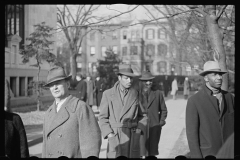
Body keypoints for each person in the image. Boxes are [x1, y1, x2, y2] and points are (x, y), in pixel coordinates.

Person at [42, 66, 102, 158]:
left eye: (58, 83)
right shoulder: (48, 113)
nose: (55, 88)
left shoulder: (80, 108)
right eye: (51, 85)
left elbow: (91, 145)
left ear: (67, 84)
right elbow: (45, 148)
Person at [186, 61, 234, 158]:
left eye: (220, 74)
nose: (219, 77)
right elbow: (192, 136)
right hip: (208, 154)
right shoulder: (194, 101)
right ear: (206, 78)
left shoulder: (230, 97)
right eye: (214, 74)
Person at [98, 64, 146, 158]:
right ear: (119, 77)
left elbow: (143, 115)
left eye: (131, 78)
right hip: (115, 137)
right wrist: (110, 134)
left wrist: (139, 130)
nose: (129, 81)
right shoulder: (107, 94)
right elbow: (102, 118)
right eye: (126, 78)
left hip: (132, 137)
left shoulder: (136, 94)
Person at [138, 71, 168, 157]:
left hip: (154, 127)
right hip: (141, 128)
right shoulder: (136, 94)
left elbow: (164, 110)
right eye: (146, 81)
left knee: (152, 153)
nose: (148, 82)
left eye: (150, 80)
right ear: (142, 82)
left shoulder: (158, 93)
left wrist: (160, 122)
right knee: (140, 152)